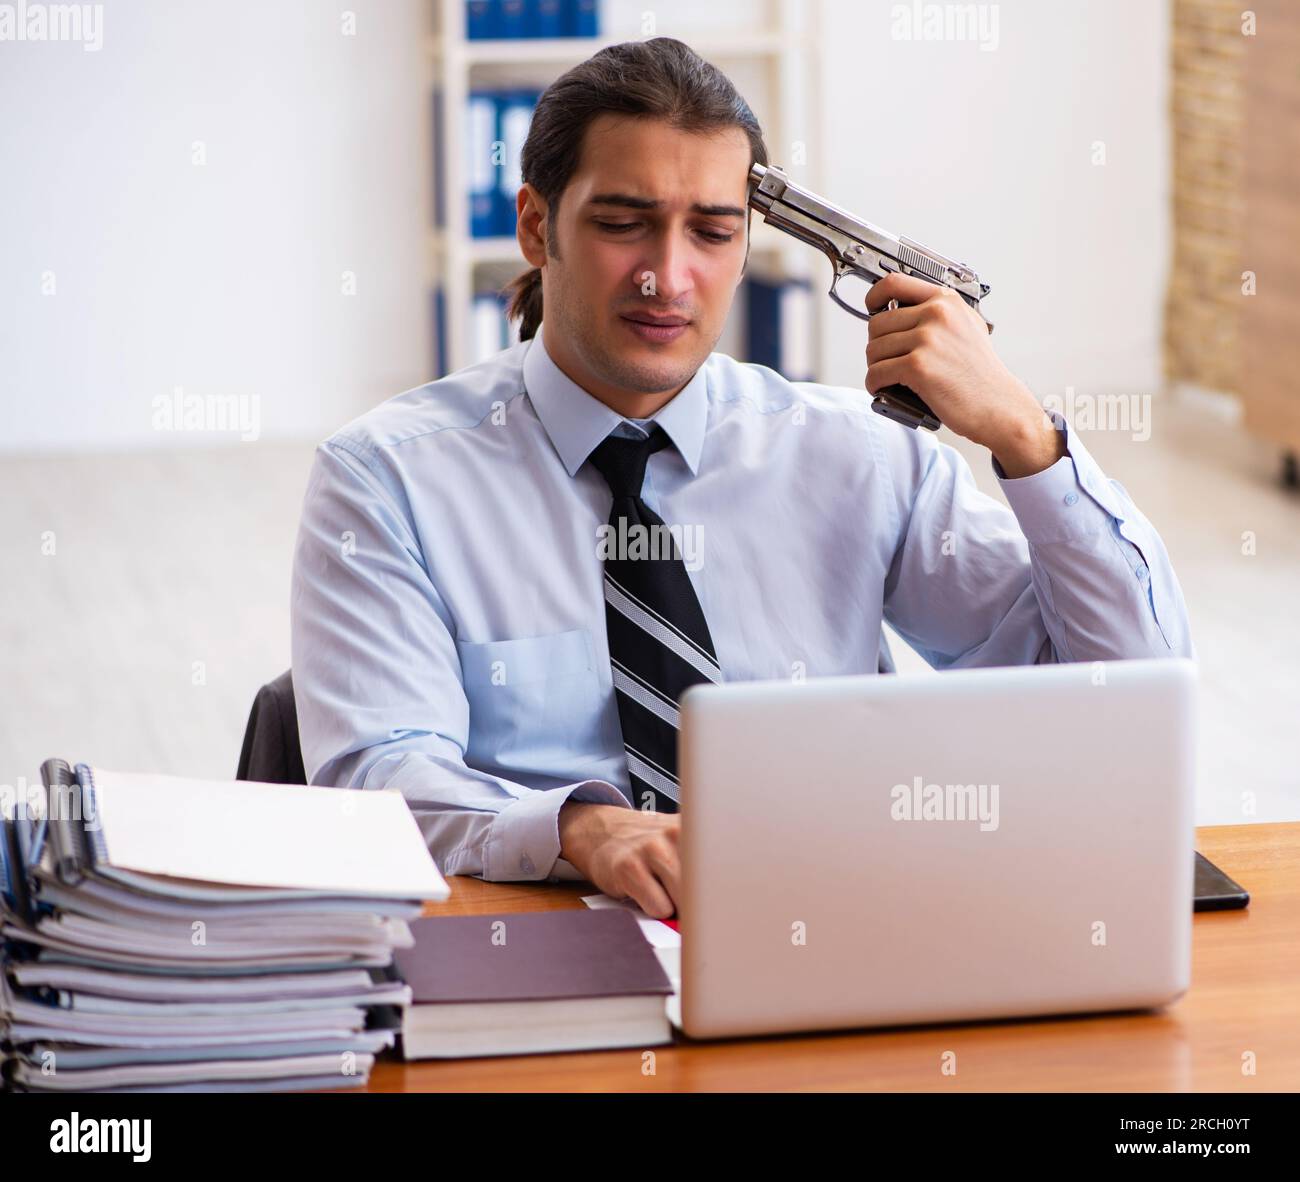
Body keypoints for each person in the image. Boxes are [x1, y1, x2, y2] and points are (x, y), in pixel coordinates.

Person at [290, 38, 1192, 919]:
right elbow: (377, 768)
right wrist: (582, 830)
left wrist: (1028, 439)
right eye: (620, 223)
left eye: (712, 233)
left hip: (835, 929)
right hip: (542, 936)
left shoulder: (864, 459)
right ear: (536, 226)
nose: (666, 277)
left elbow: (1129, 698)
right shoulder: (385, 481)